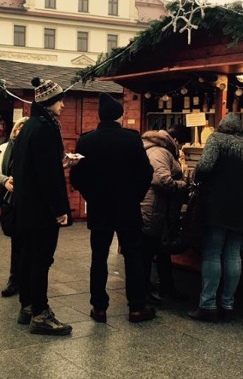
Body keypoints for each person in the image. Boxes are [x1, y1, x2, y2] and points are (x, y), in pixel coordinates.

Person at [70, 93, 156, 323]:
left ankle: (99, 307)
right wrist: (134, 196)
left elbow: (77, 176)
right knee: (133, 256)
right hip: (127, 206)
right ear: (119, 115)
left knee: (98, 257)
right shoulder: (131, 139)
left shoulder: (86, 141)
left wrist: (92, 195)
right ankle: (137, 307)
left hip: (99, 207)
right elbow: (146, 172)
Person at [12, 77, 77, 335]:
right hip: (41, 208)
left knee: (28, 256)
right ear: (49, 101)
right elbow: (48, 175)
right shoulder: (46, 128)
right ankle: (40, 313)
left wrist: (59, 163)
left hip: (26, 205)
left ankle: (27, 305)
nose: (62, 105)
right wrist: (60, 209)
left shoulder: (29, 127)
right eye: (59, 100)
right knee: (41, 258)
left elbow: (34, 166)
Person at [188, 113, 243, 322]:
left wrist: (197, 177)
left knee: (212, 253)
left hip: (216, 206)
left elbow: (205, 166)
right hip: (241, 209)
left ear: (221, 126)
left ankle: (208, 305)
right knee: (233, 255)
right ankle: (227, 305)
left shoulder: (216, 139)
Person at [140, 128, 188, 303]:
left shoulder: (152, 148)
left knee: (160, 251)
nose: (181, 147)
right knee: (149, 251)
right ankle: (144, 292)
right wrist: (183, 185)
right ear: (174, 140)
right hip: (153, 208)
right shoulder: (160, 152)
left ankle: (165, 287)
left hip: (155, 208)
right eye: (181, 143)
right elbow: (161, 180)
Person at [0, 116, 29, 298]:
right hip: (10, 200)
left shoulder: (33, 149)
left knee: (26, 242)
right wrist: (5, 181)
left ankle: (23, 280)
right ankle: (15, 279)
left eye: (24, 128)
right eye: (19, 127)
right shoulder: (5, 149)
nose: (20, 130)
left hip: (28, 201)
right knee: (15, 240)